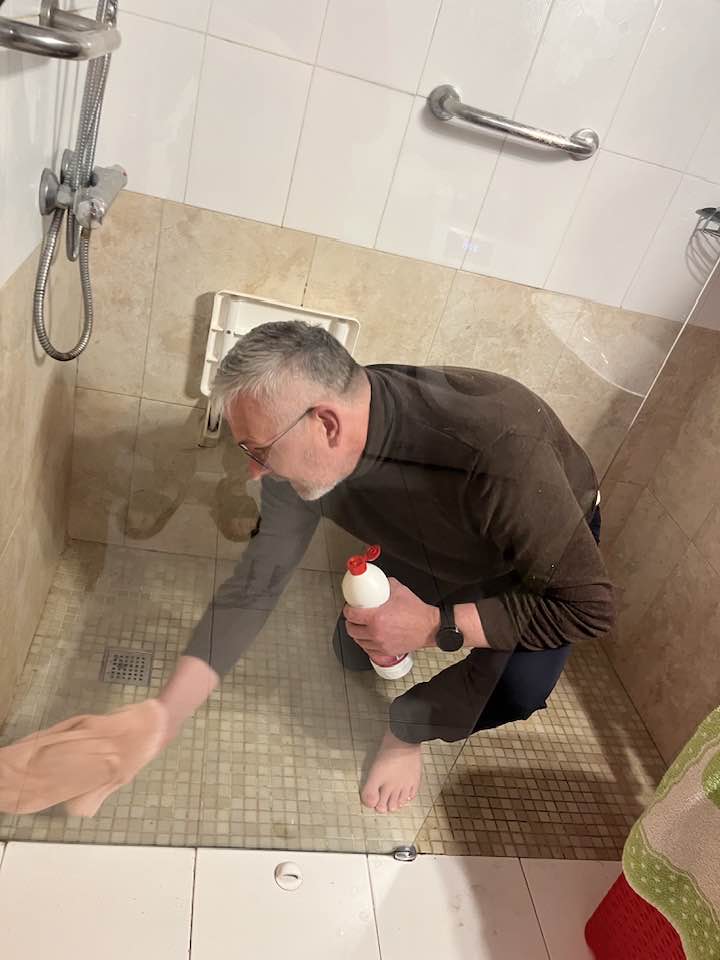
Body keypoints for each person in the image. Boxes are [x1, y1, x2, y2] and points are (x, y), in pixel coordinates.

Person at [157, 320, 615, 815]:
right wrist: (164, 713)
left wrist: (437, 625)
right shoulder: (315, 437)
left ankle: (407, 731)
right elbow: (257, 581)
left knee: (516, 688)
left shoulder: (501, 451)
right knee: (352, 650)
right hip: (440, 532)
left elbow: (587, 608)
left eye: (260, 450)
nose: (254, 471)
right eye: (247, 450)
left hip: (535, 552)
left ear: (327, 425)